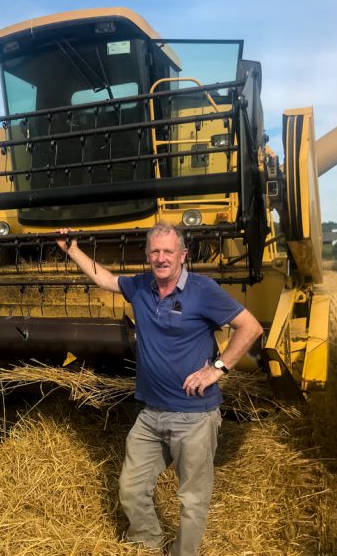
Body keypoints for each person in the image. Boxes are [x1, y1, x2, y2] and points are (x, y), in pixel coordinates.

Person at [57, 222, 262, 556]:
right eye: (155, 251)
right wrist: (73, 250)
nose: (161, 257)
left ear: (183, 255)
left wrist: (217, 368)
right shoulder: (141, 287)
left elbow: (249, 327)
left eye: (168, 251)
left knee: (192, 500)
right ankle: (148, 542)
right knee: (131, 488)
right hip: (151, 415)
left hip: (195, 417)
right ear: (148, 254)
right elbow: (105, 279)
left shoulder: (202, 290)